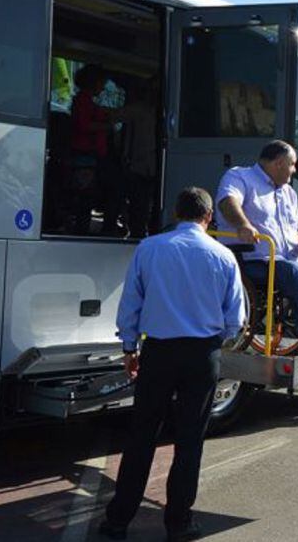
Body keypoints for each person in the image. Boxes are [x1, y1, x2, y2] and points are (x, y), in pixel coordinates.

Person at [99, 188, 247, 541]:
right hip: (202, 355)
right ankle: (179, 522)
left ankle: (118, 520)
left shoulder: (150, 248)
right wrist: (215, 340)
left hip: (159, 352)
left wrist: (129, 347)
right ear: (209, 217)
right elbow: (236, 317)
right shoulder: (224, 255)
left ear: (177, 213)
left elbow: (131, 302)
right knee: (190, 439)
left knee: (142, 435)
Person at [216, 140, 298, 354]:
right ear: (278, 163)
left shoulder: (289, 192)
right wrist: (243, 225)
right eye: (292, 164)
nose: (294, 170)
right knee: (292, 272)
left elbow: (295, 229)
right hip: (254, 260)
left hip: (288, 260)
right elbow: (227, 202)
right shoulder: (240, 176)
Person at [71, 64, 125, 236]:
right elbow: (85, 125)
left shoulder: (87, 101)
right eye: (102, 83)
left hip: (92, 156)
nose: (102, 88)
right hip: (87, 157)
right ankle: (92, 230)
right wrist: (107, 127)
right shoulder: (83, 101)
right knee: (91, 196)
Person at [120, 79, 158, 238]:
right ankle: (138, 233)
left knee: (149, 204)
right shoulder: (138, 110)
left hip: (151, 165)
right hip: (139, 165)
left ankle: (147, 232)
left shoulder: (155, 111)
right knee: (139, 204)